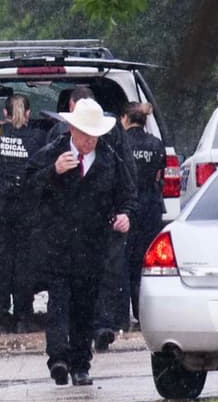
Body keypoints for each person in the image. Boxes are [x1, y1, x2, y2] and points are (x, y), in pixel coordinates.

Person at [25, 98, 135, 386]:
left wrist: (124, 214)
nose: (89, 141)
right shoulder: (52, 153)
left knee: (85, 305)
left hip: (93, 245)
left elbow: (127, 194)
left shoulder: (110, 157)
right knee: (59, 304)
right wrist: (53, 173)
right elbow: (27, 190)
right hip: (58, 244)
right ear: (72, 130)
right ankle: (58, 359)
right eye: (85, 134)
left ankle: (81, 365)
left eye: (94, 135)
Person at [46, 85, 136, 349]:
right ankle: (63, 352)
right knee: (65, 293)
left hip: (100, 227)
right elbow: (38, 184)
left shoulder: (111, 148)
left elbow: (126, 180)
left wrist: (125, 212)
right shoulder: (57, 140)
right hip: (64, 233)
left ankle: (102, 328)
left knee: (104, 278)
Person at [0, 93, 46, 333]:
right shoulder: (37, 138)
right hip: (26, 210)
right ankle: (24, 317)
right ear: (28, 113)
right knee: (24, 266)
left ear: (4, 114)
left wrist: (4, 124)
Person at [120, 102, 165, 329]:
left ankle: (121, 316)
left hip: (128, 208)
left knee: (123, 261)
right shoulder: (156, 144)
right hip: (151, 209)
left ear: (125, 119)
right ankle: (144, 314)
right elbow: (159, 176)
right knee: (146, 263)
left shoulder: (120, 143)